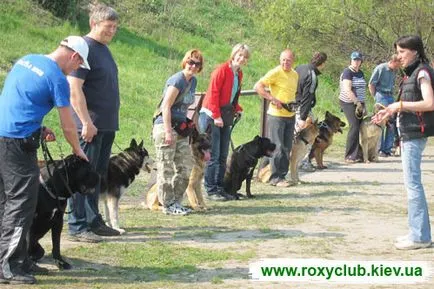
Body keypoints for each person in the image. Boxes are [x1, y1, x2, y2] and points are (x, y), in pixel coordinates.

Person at [0, 36, 89, 284]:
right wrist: (76, 149)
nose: (75, 71)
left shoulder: (27, 60)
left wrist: (38, 129)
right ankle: (10, 266)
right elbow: (69, 124)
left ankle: (18, 259)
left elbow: (18, 101)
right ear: (74, 56)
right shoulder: (57, 79)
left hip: (3, 136)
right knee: (21, 204)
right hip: (17, 145)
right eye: (78, 65)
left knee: (5, 201)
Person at [373, 35, 433, 250]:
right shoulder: (412, 74)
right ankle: (417, 232)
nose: (398, 57)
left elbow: (429, 103)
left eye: (402, 52)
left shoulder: (422, 72)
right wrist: (388, 112)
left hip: (414, 135)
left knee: (413, 185)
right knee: (412, 184)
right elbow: (406, 105)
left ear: (415, 51)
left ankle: (420, 237)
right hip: (408, 134)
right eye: (398, 52)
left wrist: (398, 106)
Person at [67, 4, 121, 242]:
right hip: (89, 126)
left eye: (115, 28)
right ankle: (78, 225)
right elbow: (74, 88)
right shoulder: (84, 48)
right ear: (94, 23)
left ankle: (93, 220)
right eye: (108, 27)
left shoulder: (104, 49)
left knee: (96, 176)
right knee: (82, 176)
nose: (112, 31)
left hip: (106, 125)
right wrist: (86, 122)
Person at [153, 49, 204, 215]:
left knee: (185, 166)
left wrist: (192, 129)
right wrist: (168, 132)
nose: (193, 66)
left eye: (197, 64)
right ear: (185, 62)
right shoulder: (177, 80)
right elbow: (166, 106)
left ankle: (176, 201)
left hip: (181, 127)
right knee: (166, 167)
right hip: (166, 126)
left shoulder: (193, 82)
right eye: (190, 62)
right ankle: (167, 204)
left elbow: (187, 108)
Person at [198, 44, 250, 201]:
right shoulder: (221, 70)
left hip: (225, 115)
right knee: (213, 154)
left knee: (223, 154)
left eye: (245, 57)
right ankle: (210, 189)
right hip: (211, 115)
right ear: (233, 54)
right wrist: (216, 115)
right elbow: (213, 93)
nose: (242, 59)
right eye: (240, 55)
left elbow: (232, 95)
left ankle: (220, 187)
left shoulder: (238, 74)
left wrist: (237, 108)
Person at [254, 49, 299, 187]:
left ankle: (282, 176)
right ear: (280, 60)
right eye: (283, 60)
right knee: (277, 146)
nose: (285, 62)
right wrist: (272, 99)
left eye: (288, 60)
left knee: (286, 147)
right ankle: (275, 177)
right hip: (276, 115)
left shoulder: (295, 74)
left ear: (293, 61)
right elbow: (258, 86)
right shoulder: (275, 72)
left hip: (290, 114)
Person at [295, 51, 328, 172]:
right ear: (322, 63)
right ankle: (303, 162)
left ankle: (295, 161)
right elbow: (307, 97)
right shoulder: (312, 76)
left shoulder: (299, 68)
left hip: (291, 105)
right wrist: (303, 118)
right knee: (310, 135)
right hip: (302, 108)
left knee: (295, 137)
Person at [368, 55, 401, 157]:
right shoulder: (381, 68)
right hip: (381, 95)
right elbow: (371, 84)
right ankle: (380, 149)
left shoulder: (394, 71)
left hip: (390, 95)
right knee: (381, 122)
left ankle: (387, 148)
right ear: (393, 61)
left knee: (391, 123)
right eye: (398, 64)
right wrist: (375, 97)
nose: (399, 66)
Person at [339, 51, 367, 163]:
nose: (356, 62)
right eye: (354, 59)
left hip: (360, 103)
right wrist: (356, 102)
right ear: (351, 60)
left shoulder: (360, 73)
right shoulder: (347, 72)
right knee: (354, 126)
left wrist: (363, 105)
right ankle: (349, 155)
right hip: (348, 102)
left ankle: (358, 153)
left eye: (358, 60)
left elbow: (362, 90)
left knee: (359, 126)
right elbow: (347, 89)